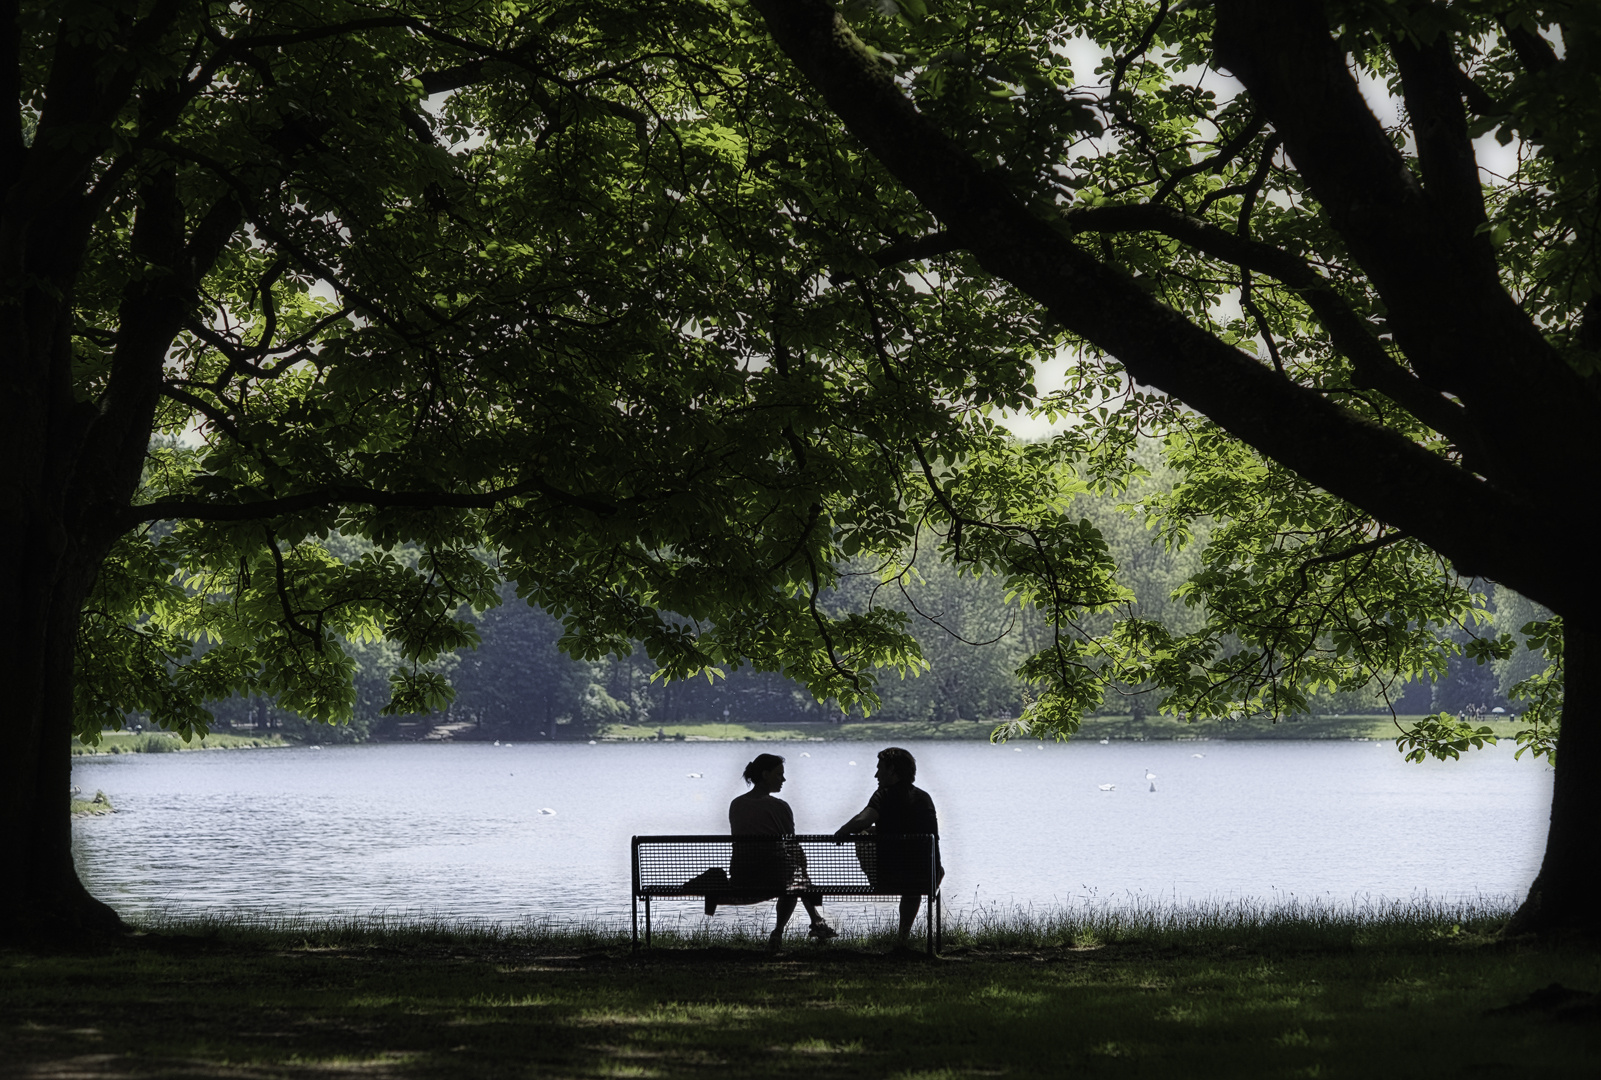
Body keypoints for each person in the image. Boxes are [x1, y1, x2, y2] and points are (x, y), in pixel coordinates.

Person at [835, 746, 943, 948]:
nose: (876, 774)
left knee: (864, 834)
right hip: (927, 877)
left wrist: (843, 830)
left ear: (892, 770)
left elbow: (863, 820)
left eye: (880, 769)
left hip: (889, 878)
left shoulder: (883, 795)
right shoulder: (924, 798)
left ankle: (875, 880)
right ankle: (903, 938)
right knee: (913, 882)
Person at [726, 753, 836, 949]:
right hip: (773, 876)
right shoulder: (780, 807)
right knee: (797, 878)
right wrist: (802, 867)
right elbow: (793, 845)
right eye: (779, 775)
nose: (783, 779)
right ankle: (782, 930)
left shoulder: (736, 804)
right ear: (765, 774)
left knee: (794, 873)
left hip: (741, 876)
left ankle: (816, 922)